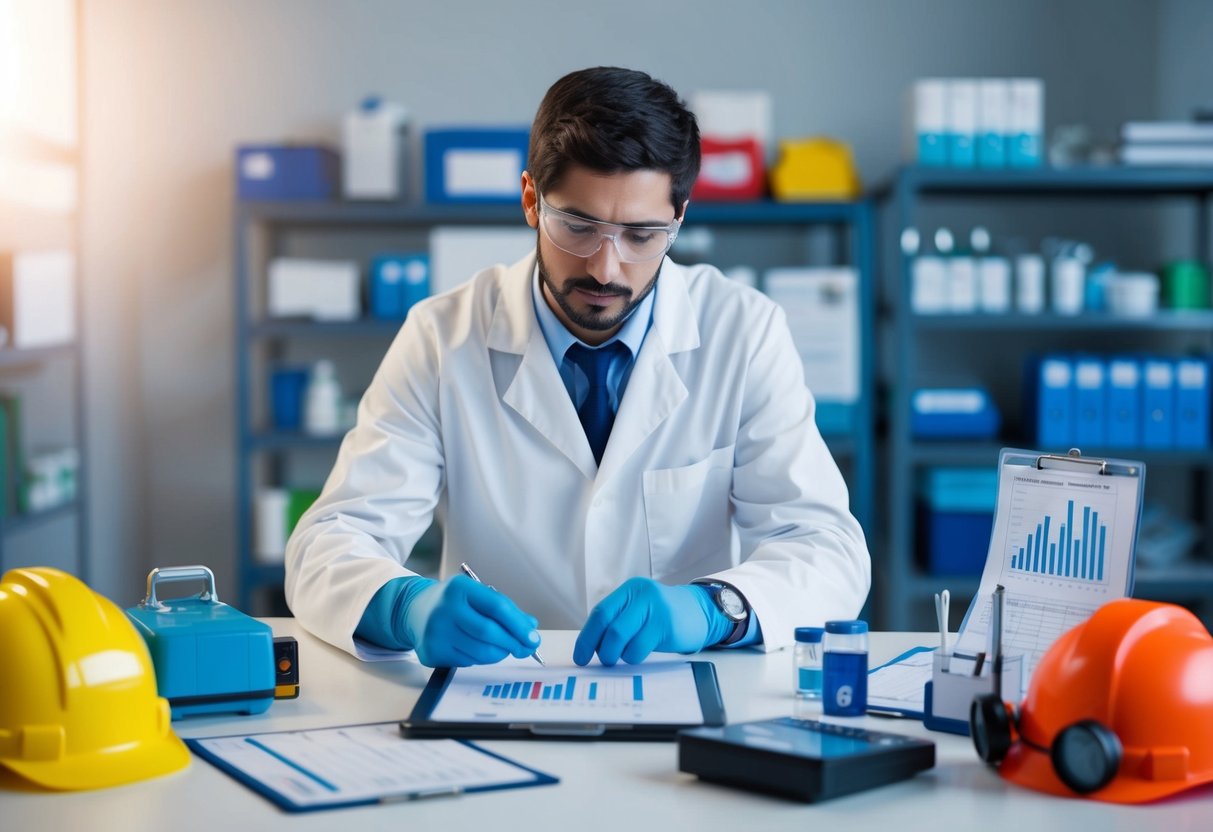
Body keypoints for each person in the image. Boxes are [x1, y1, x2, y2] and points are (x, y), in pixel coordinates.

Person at [284, 66, 870, 669]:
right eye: (579, 226)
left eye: (642, 234)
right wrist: (403, 606)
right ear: (532, 200)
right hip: (497, 693)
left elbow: (827, 549)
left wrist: (712, 609)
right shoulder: (442, 337)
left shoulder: (742, 331)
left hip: (684, 689)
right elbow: (326, 545)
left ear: (680, 220)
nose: (606, 268)